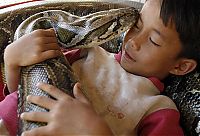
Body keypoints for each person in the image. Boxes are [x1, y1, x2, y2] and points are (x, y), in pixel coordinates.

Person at [1, 0, 200, 135]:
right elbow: (25, 90)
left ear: (181, 66)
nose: (133, 41)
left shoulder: (158, 109)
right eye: (137, 25)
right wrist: (12, 62)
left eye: (154, 41)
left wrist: (96, 130)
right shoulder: (89, 53)